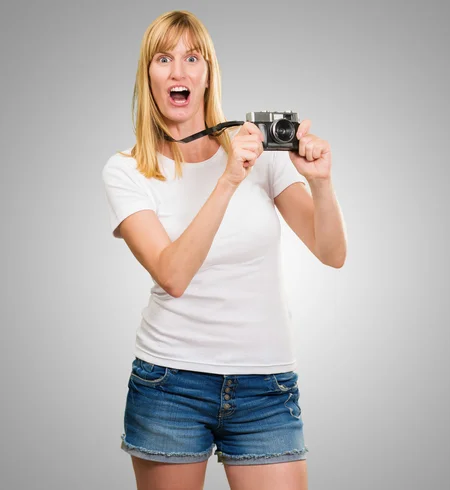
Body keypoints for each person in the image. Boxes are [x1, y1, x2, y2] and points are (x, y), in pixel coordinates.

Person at [101, 9, 346, 490]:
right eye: (163, 58)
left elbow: (331, 252)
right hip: (170, 383)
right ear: (146, 75)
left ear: (208, 74)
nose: (179, 71)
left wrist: (321, 183)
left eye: (193, 58)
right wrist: (229, 178)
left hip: (266, 385)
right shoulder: (126, 170)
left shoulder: (260, 157)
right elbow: (172, 275)